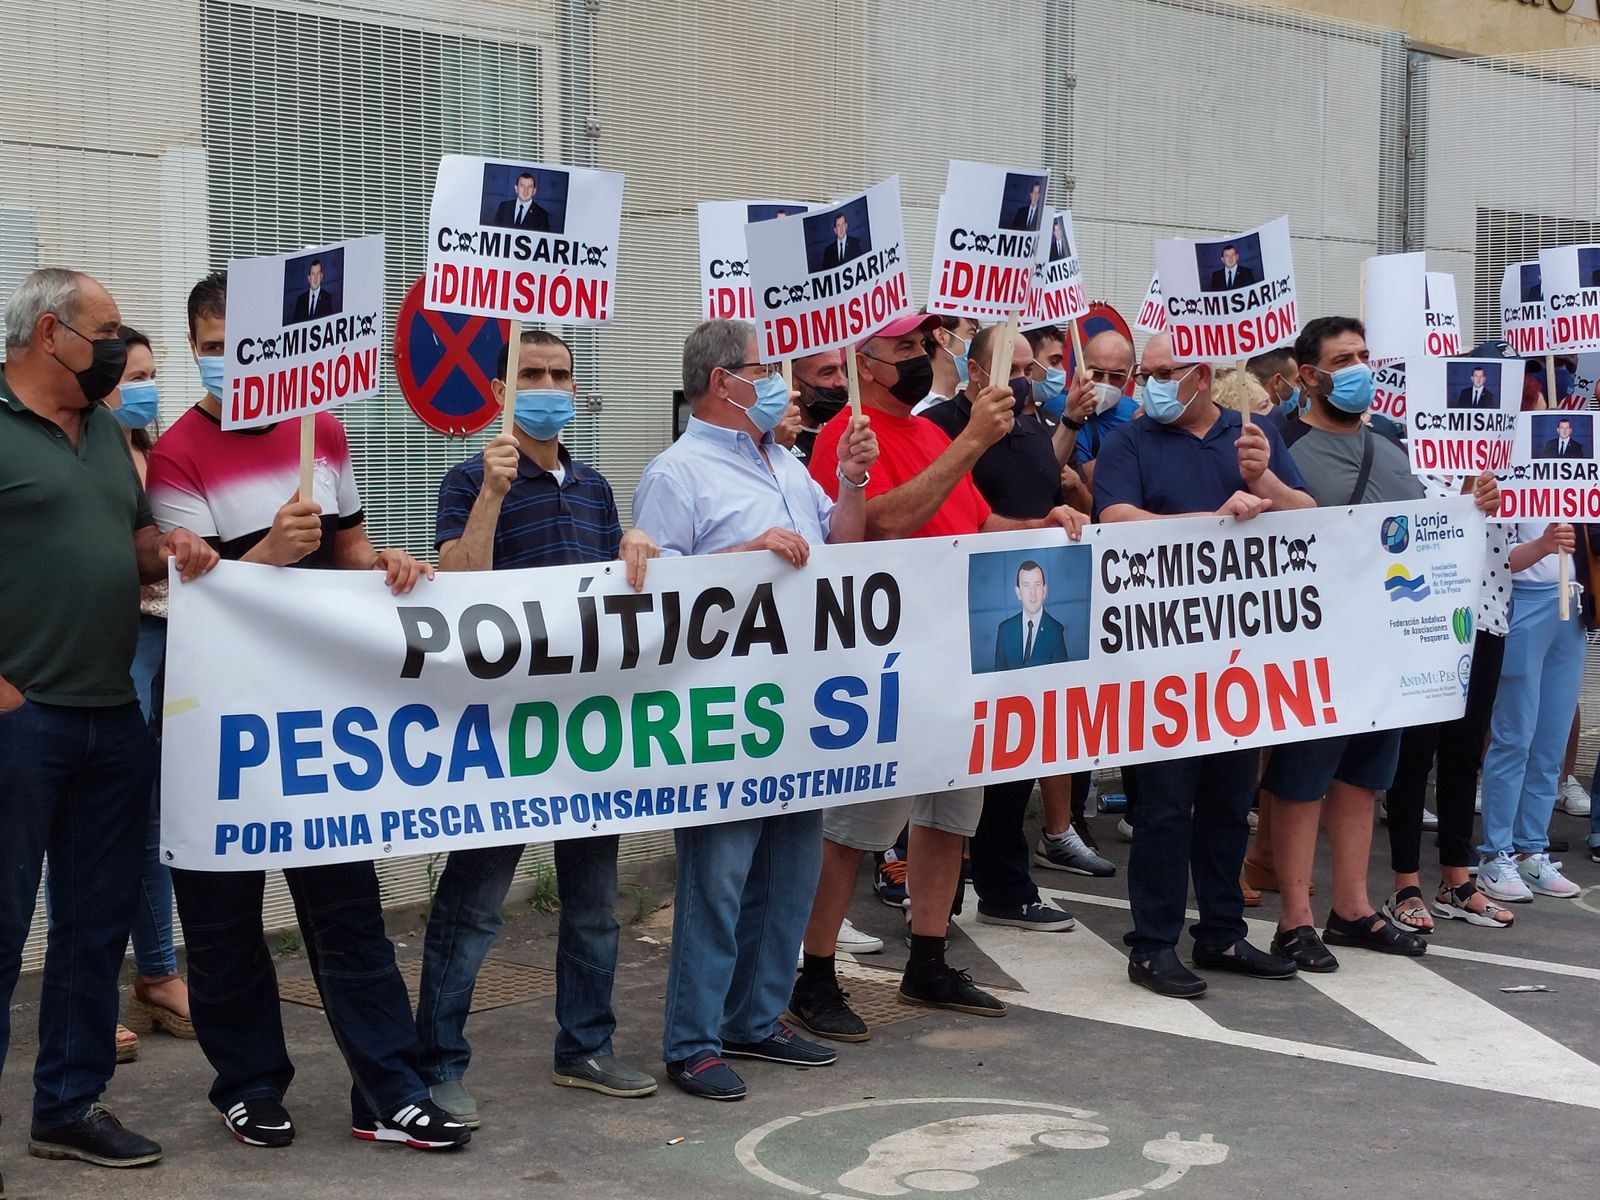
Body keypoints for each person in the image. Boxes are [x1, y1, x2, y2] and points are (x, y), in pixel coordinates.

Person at [146, 272, 469, 1152]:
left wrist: (387, 562)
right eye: (210, 348)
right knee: (222, 918)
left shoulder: (321, 432)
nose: (227, 362)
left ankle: (390, 1091)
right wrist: (265, 552)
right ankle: (248, 1085)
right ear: (193, 350)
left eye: (239, 346)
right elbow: (190, 596)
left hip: (315, 715)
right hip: (216, 719)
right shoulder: (176, 455)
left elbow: (350, 548)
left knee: (347, 908)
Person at [787, 312, 1088, 1043]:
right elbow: (885, 521)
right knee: (856, 828)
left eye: (923, 345)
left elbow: (974, 526)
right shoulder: (847, 436)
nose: (920, 355)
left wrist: (1042, 525)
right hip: (888, 661)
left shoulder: (925, 433)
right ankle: (814, 973)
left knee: (949, 815)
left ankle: (928, 957)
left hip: (955, 652)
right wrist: (973, 441)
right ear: (864, 361)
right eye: (904, 347)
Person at [415, 330, 662, 1125]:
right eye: (531, 374)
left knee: (594, 902)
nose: (548, 387)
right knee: (474, 904)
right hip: (504, 730)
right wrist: (491, 495)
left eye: (560, 374)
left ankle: (585, 1047)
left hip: (585, 729)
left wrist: (633, 544)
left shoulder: (593, 488)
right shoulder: (468, 478)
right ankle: (436, 1062)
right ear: (499, 391)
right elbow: (459, 585)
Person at [1, 267, 217, 1174]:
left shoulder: (103, 433)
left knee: (93, 931)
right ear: (51, 334)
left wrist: (170, 546)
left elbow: (129, 547)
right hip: (22, 720)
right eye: (107, 331)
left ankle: (68, 1107)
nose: (121, 350)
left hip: (110, 715)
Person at [632, 318, 878, 1101]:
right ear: (722, 382)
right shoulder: (676, 474)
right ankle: (693, 1040)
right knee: (719, 880)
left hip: (795, 703)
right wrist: (746, 556)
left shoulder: (785, 462)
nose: (782, 383)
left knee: (788, 876)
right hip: (722, 710)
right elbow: (655, 592)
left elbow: (840, 548)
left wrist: (851, 482)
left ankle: (756, 1017)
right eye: (765, 370)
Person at [1262, 316, 1501, 973]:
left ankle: (1351, 909)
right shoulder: (1280, 443)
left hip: (1386, 649)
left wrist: (1469, 505)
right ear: (1309, 376)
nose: (1360, 369)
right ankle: (1294, 920)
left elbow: (1423, 530)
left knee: (1364, 778)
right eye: (1344, 359)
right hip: (1315, 646)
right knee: (1301, 782)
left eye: (1365, 355)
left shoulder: (1393, 441)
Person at [1092, 330, 1309, 998]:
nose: (1150, 385)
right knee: (1163, 806)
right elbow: (1115, 517)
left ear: (1204, 374)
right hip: (1159, 657)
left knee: (1227, 802)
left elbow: (1308, 517)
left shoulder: (1251, 436)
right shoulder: (1130, 439)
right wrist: (1211, 521)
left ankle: (1221, 931)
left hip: (1237, 657)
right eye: (1146, 373)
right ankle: (1153, 944)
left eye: (1165, 372)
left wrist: (1263, 479)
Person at [100, 327, 196, 1062]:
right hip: (116, 643)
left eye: (152, 374)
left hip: (176, 644)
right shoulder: (89, 460)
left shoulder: (157, 458)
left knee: (155, 818)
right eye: (133, 375)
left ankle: (158, 973)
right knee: (97, 817)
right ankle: (89, 994)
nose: (146, 389)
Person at [1476, 520, 1595, 903]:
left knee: (1550, 742)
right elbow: (1495, 558)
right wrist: (1544, 544)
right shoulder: (1511, 485)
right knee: (1514, 737)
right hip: (1523, 601)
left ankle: (1531, 849)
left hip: (1571, 602)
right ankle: (1496, 853)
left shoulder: (1577, 486)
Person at [993, 561, 1070, 669]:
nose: (1033, 593)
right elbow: (999, 675)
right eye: (1026, 585)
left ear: (1044, 591)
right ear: (1018, 592)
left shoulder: (1056, 631)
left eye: (1037, 585)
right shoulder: (1004, 630)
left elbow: (1061, 675)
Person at [790, 348, 850, 466]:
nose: (841, 382)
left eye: (842, 371)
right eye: (828, 373)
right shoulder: (773, 441)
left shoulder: (850, 434)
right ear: (794, 382)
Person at [915, 311, 981, 415]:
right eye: (972, 334)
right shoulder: (911, 408)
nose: (977, 344)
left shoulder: (971, 408)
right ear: (941, 336)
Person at [290, 259, 338, 323]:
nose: (316, 278)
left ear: (321, 277)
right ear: (309, 278)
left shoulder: (328, 299)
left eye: (318, 274)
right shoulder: (300, 300)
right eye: (313, 274)